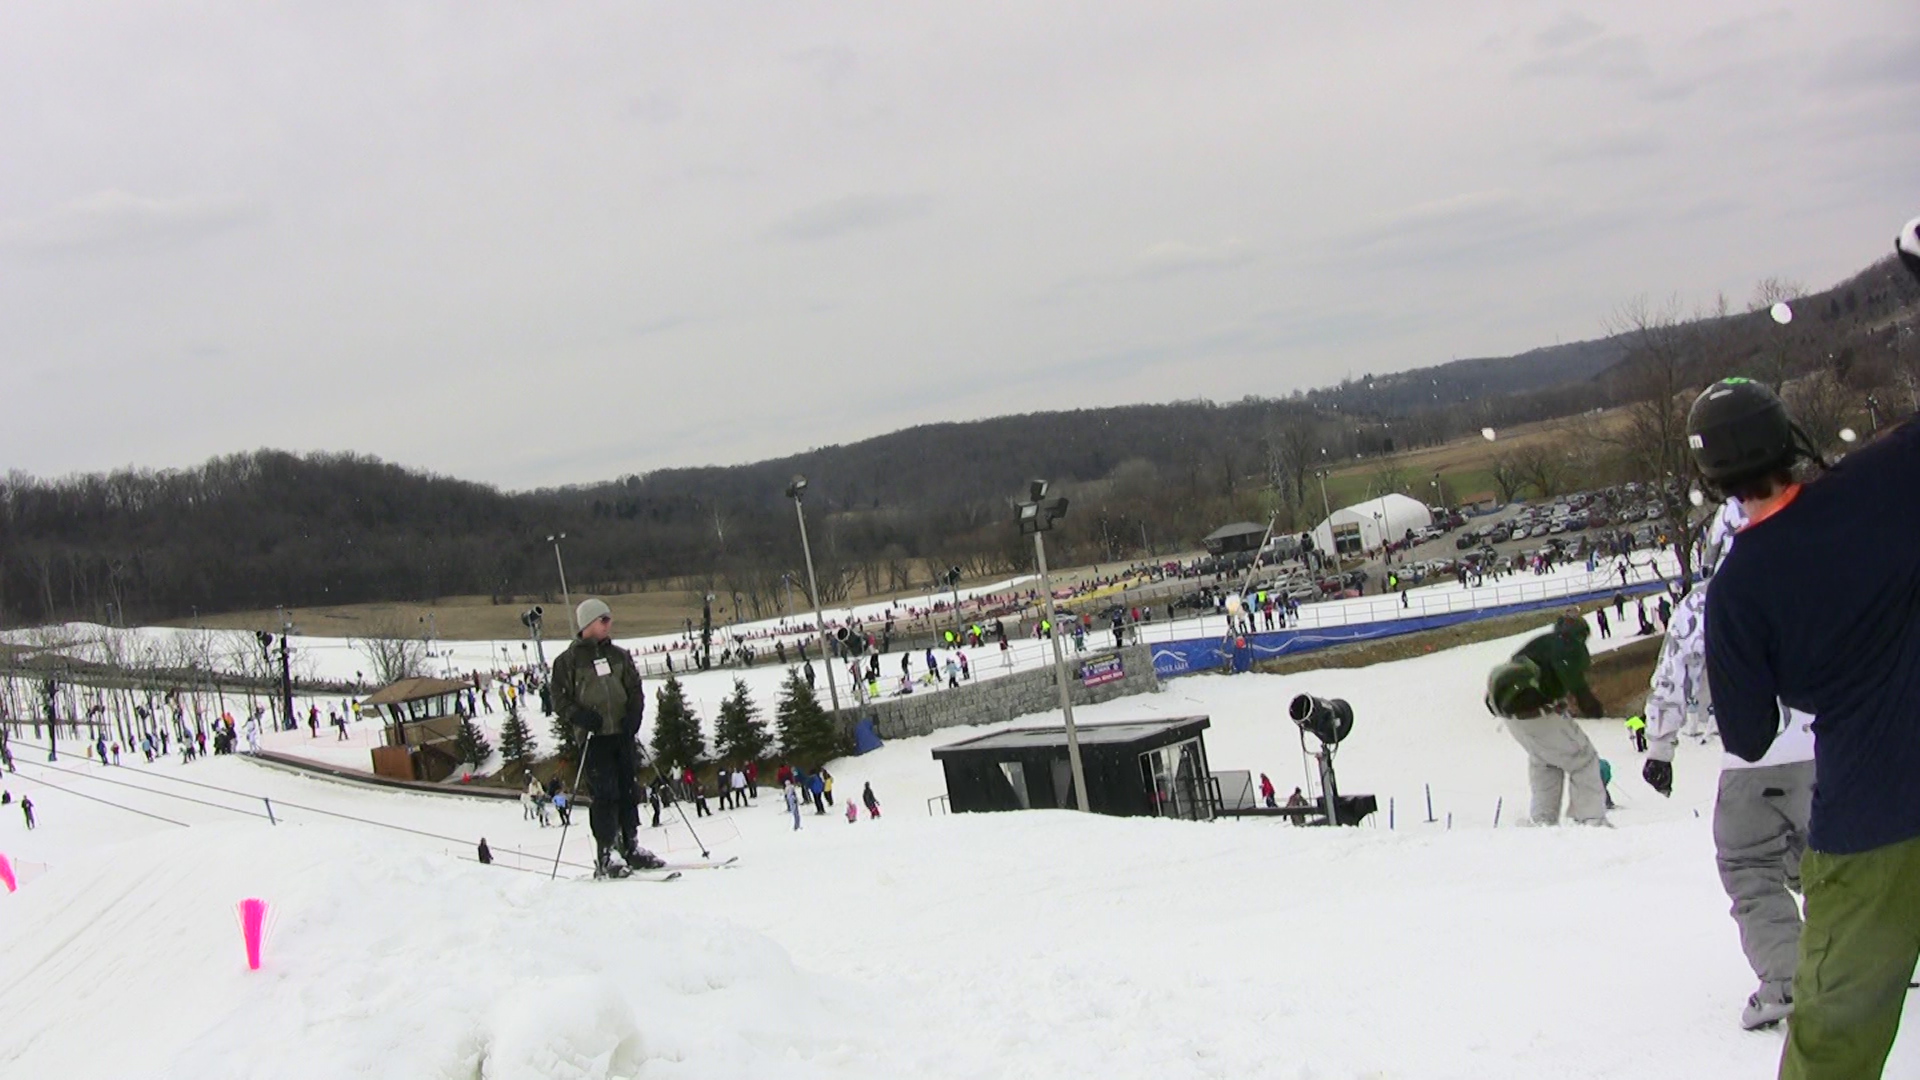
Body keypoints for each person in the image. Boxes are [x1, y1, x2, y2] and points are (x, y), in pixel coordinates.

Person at [1691, 305, 1920, 1080]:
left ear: (1714, 477)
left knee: (1834, 1046)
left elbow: (1748, 735)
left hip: (1869, 825)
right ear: (1789, 436)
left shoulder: (1738, 589)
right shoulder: (1881, 484)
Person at [1641, 496, 1816, 1031]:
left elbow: (1673, 676)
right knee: (1832, 862)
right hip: (1826, 749)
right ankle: (1877, 955)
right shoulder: (1816, 581)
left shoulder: (1705, 601)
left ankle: (1786, 982)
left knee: (1750, 866)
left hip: (1752, 757)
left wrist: (1660, 748)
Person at [551, 598, 663, 877]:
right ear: (588, 623)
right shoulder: (568, 662)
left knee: (628, 788)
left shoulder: (619, 656)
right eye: (604, 620)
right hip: (594, 737)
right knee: (605, 793)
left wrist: (634, 714)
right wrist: (579, 716)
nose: (609, 624)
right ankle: (606, 851)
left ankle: (631, 844)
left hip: (621, 733)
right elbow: (559, 699)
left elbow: (635, 687)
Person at [1484, 611, 1608, 826]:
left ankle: (1543, 820)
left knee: (1545, 763)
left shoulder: (1538, 643)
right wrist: (1587, 701)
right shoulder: (1567, 645)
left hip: (1513, 718)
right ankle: (1592, 820)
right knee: (1583, 760)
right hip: (1539, 714)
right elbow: (1569, 672)